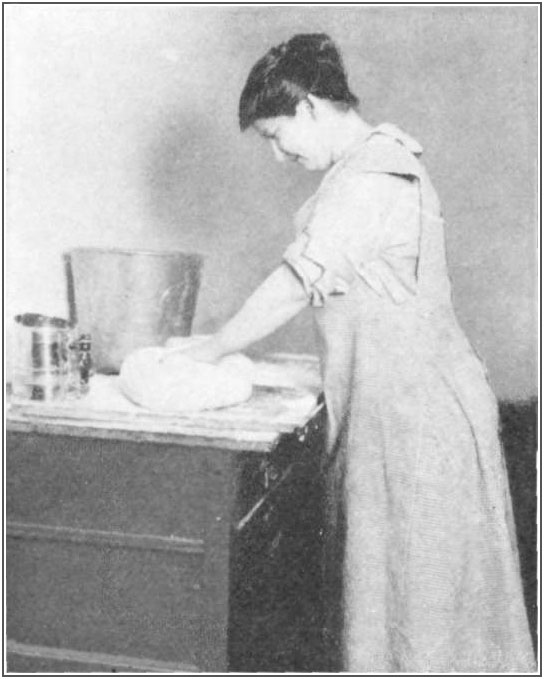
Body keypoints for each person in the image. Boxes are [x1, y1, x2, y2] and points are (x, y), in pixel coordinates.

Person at [175, 33, 536, 673]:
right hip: (398, 417)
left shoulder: (374, 177)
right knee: (397, 610)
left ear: (311, 105)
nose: (279, 154)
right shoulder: (361, 172)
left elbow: (295, 282)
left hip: (419, 428)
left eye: (275, 134)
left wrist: (212, 347)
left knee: (419, 617)